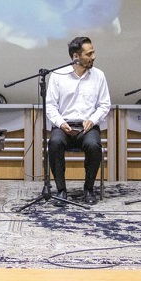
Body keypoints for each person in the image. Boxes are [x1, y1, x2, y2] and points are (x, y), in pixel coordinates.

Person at [45, 36, 110, 206]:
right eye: (89, 54)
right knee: (55, 143)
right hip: (64, 126)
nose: (93, 57)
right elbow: (50, 105)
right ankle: (61, 190)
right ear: (76, 57)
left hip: (87, 127)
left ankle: (89, 189)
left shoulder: (99, 75)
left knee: (94, 145)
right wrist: (61, 123)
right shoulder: (58, 75)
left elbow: (104, 105)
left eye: (93, 52)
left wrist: (93, 120)